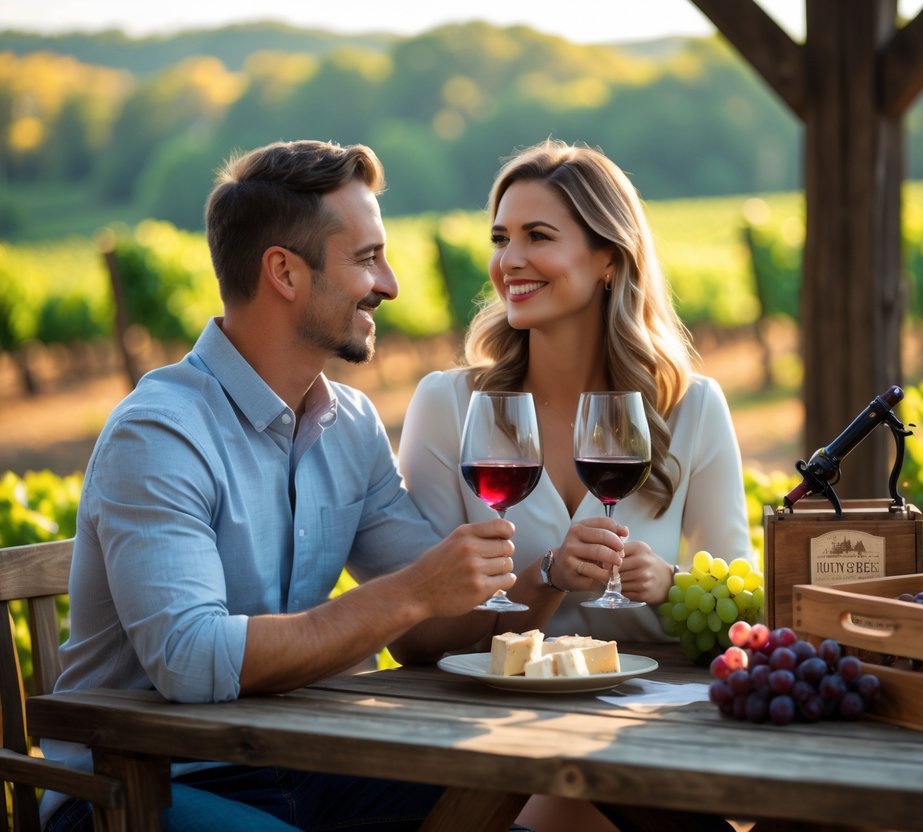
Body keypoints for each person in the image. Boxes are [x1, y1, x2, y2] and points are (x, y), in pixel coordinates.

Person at [41, 139, 518, 832]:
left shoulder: (348, 424)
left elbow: (436, 609)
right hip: (142, 788)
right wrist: (413, 593)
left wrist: (554, 575)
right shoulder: (159, 434)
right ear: (285, 273)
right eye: (365, 258)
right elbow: (189, 659)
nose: (388, 284)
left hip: (304, 765)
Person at [395, 139, 750, 831]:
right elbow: (417, 637)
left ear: (608, 258)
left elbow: (737, 604)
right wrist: (544, 576)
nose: (509, 261)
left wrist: (670, 584)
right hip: (501, 759)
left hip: (650, 754)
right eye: (500, 238)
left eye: (538, 237)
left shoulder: (690, 408)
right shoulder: (448, 405)